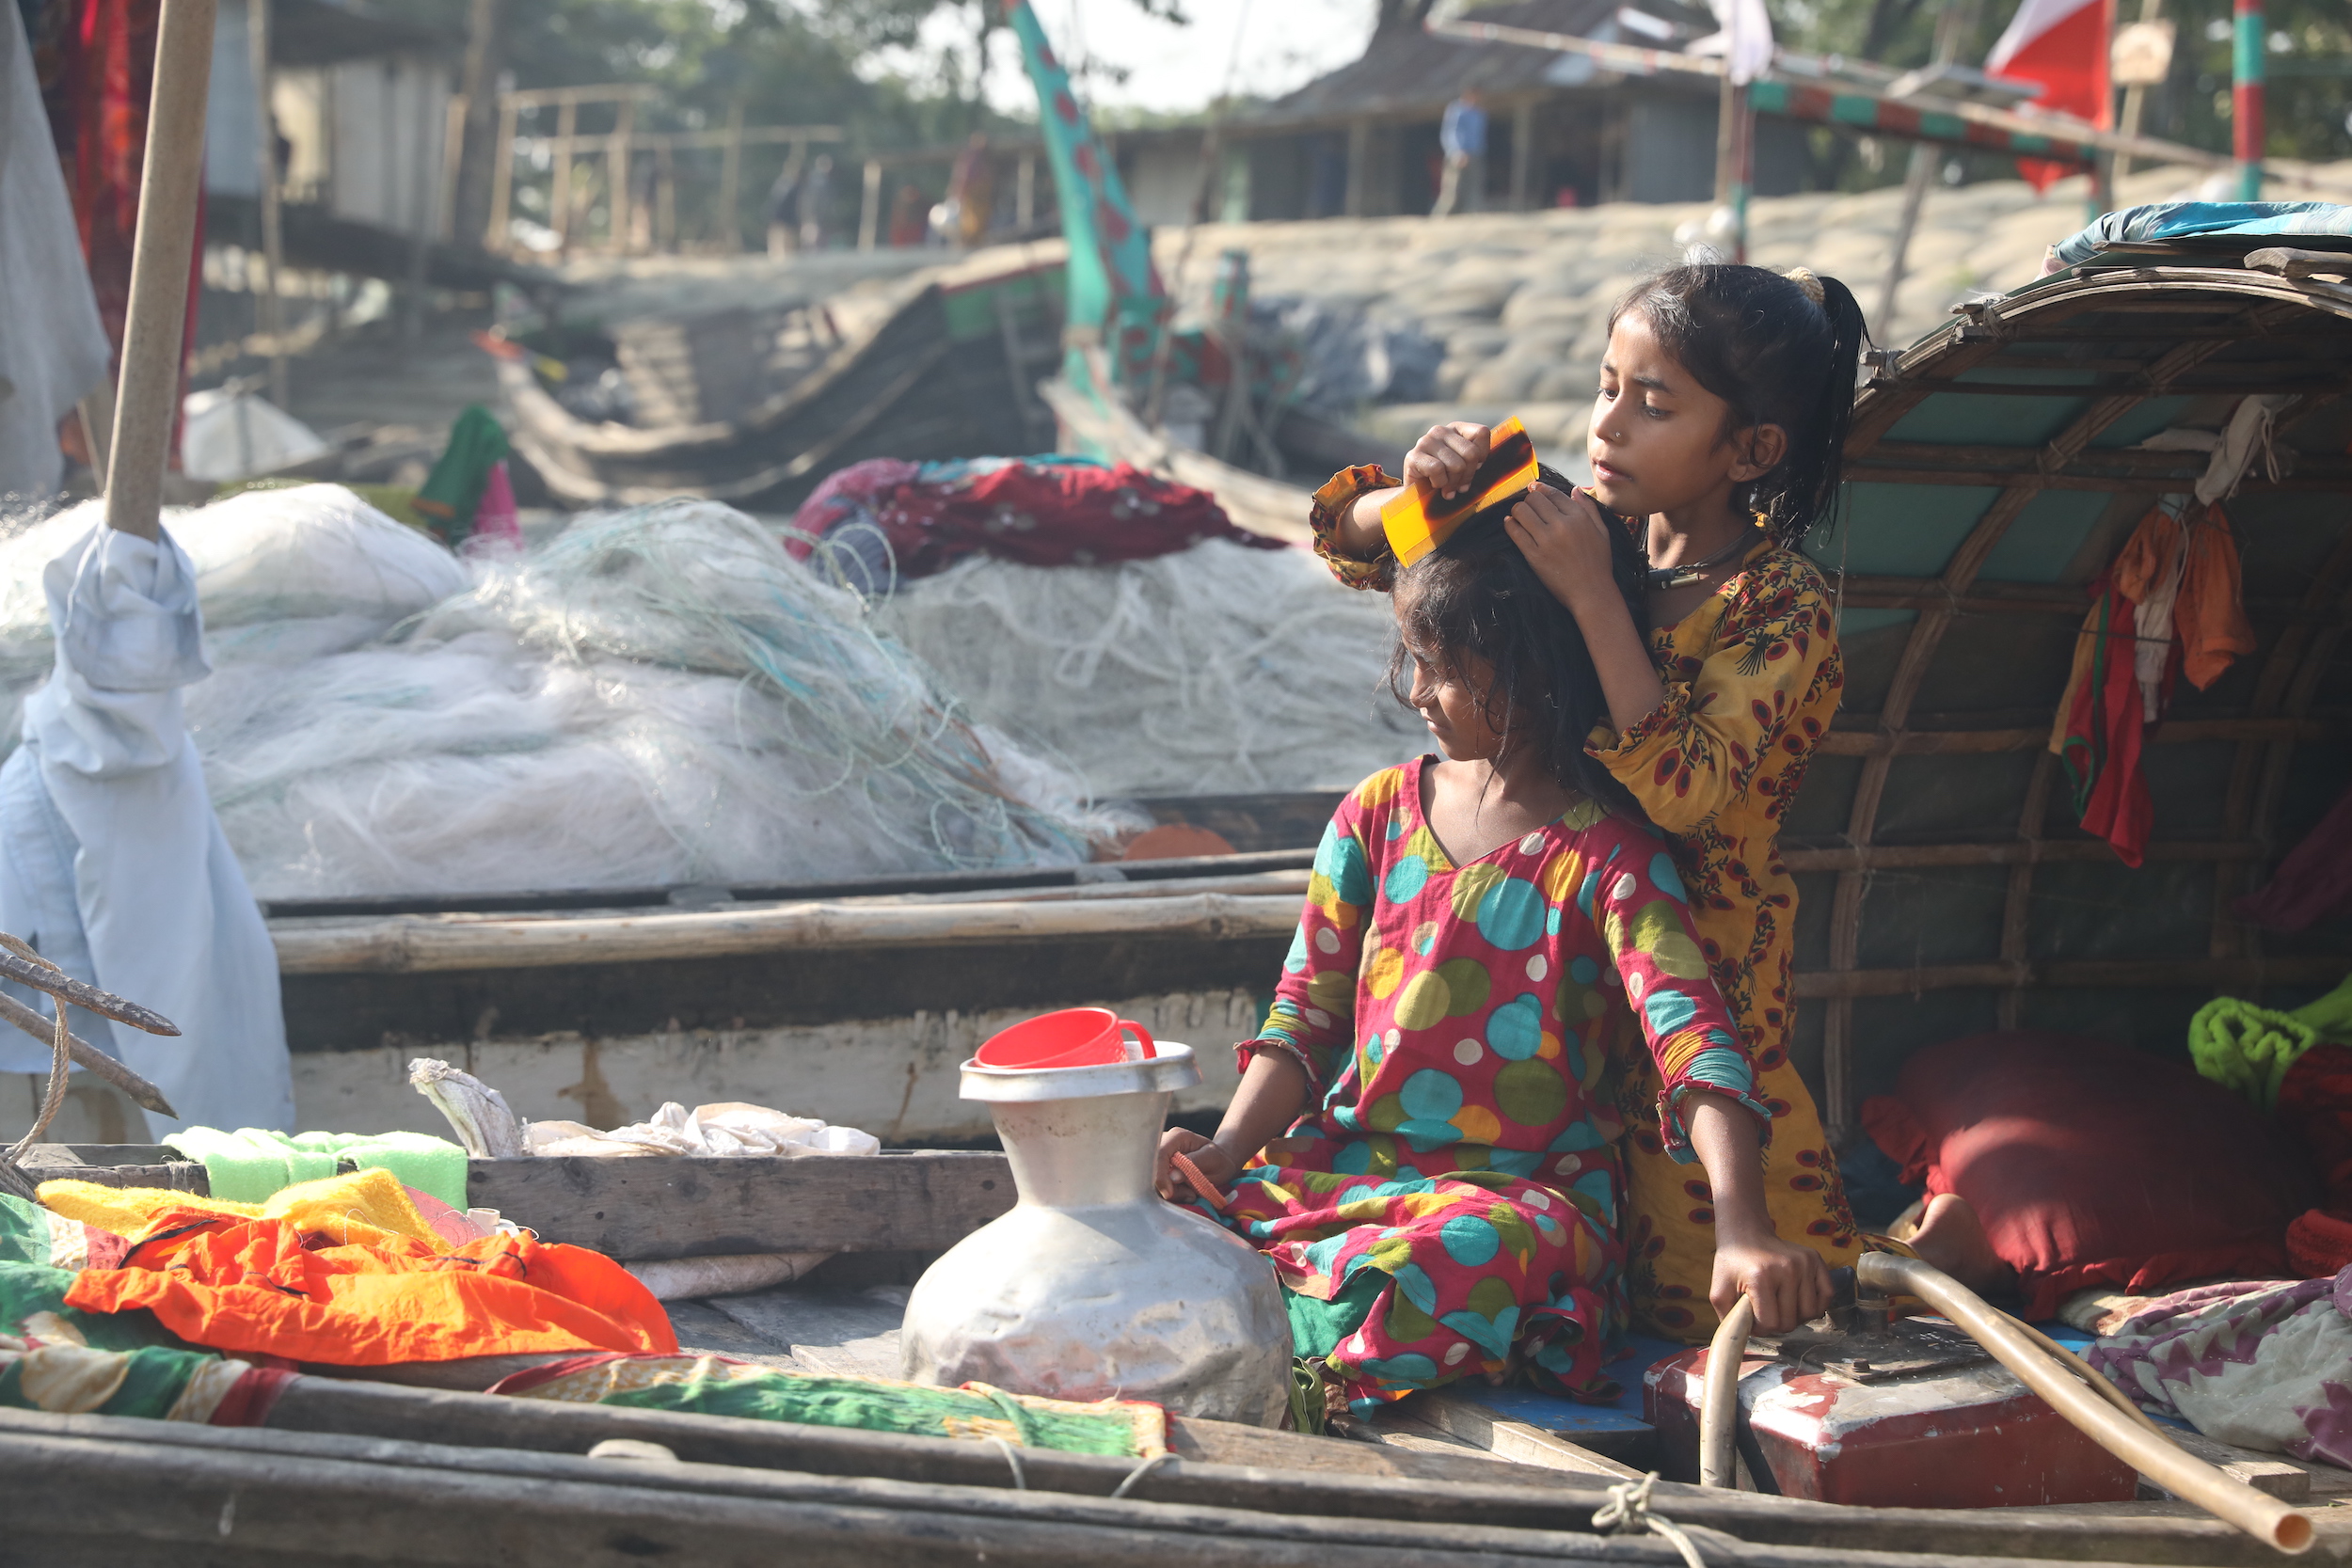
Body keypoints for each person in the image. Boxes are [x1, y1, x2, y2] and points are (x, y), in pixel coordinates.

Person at [1154, 483, 1833, 1414]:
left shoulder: (1608, 853)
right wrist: (1220, 1156)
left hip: (1514, 1208)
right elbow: (1302, 1018)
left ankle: (1313, 1355)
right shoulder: (1373, 813)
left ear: (1536, 670)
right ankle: (1323, 1330)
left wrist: (1741, 1227)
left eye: (1442, 667)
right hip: (1350, 1185)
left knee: (1461, 1256)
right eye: (1413, 659)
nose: (1416, 690)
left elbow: (1694, 1042)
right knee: (1167, 1219)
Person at [1304, 263, 1871, 1340]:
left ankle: (1928, 1250)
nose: (1607, 425)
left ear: (1751, 451)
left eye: (1653, 404)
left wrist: (1592, 597)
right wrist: (1417, 487)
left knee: (1727, 1292)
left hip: (1699, 970)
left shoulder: (1777, 608)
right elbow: (1352, 545)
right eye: (1607, 384)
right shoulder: (1573, 516)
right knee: (1555, 1260)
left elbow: (1687, 787)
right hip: (1542, 961)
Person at [1431, 87, 1487, 217]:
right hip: (1458, 155)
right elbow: (1451, 133)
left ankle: (1472, 218)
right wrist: (1457, 151)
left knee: (1474, 190)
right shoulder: (1456, 111)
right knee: (1452, 192)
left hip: (1475, 155)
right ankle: (1438, 219)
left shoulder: (1479, 113)